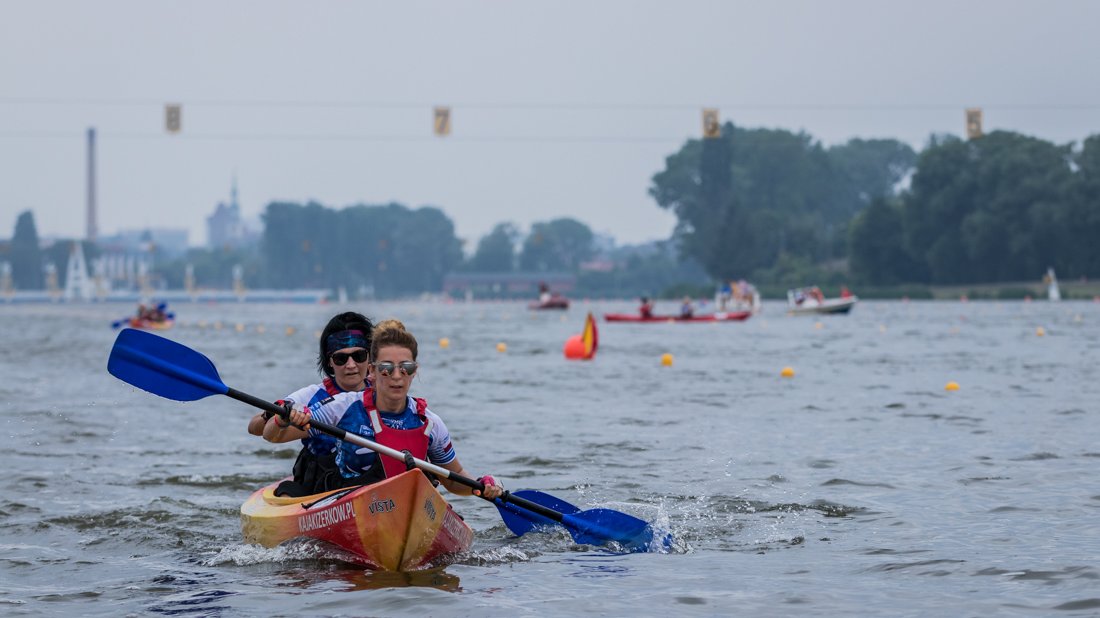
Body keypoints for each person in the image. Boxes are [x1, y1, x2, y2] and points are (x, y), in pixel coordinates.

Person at [265, 319, 504, 500]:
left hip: (405, 509)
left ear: (415, 371)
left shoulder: (430, 424)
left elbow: (454, 479)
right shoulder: (343, 407)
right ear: (372, 370)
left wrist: (482, 485)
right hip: (347, 504)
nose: (397, 377)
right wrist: (283, 421)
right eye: (387, 368)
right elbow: (272, 435)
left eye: (406, 368)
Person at [249, 311, 373, 496]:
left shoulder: (384, 393)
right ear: (330, 362)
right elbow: (255, 428)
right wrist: (274, 415)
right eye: (341, 358)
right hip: (319, 484)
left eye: (359, 356)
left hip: (369, 480)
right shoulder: (311, 395)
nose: (351, 365)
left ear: (370, 357)